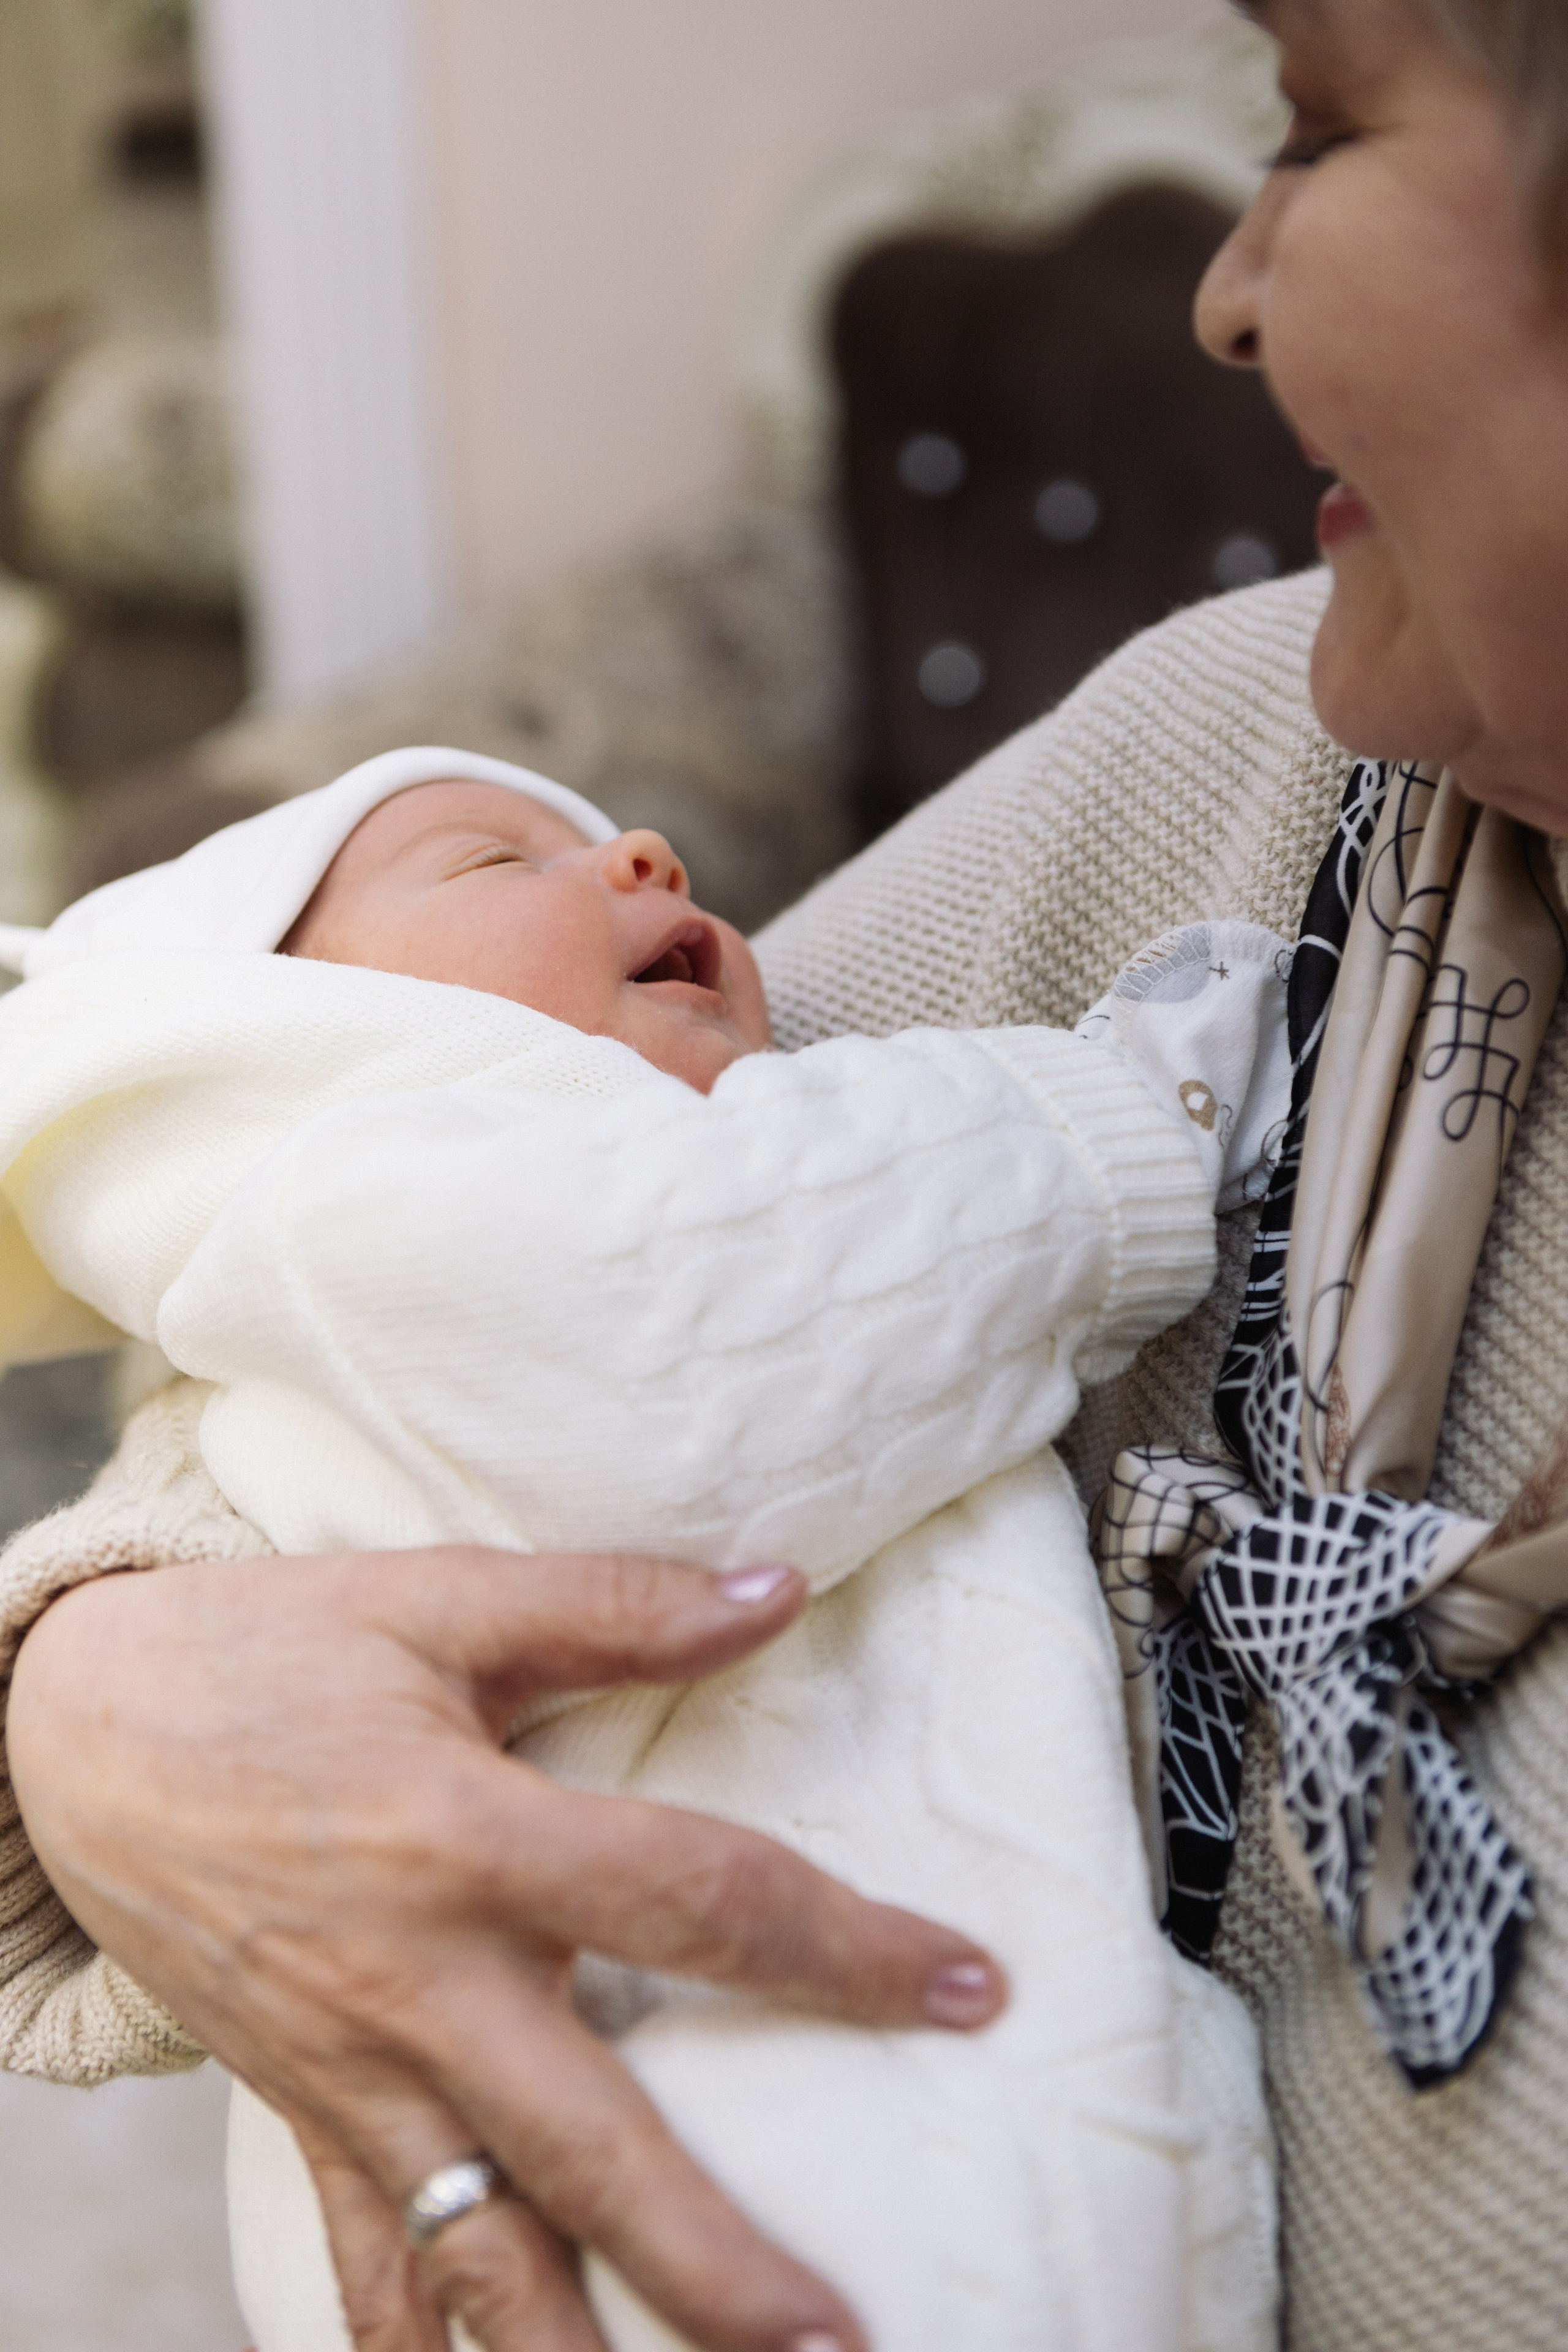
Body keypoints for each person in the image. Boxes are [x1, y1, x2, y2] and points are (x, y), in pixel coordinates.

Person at [4, 0, 1568, 2345]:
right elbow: (550, 1298)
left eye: (1324, 131)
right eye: (500, 864)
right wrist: (110, 1683)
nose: (1224, 291)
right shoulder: (1251, 753)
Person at [0, 742, 1285, 2350]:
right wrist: (1120, 1119)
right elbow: (713, 1308)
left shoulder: (311, 1323)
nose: (650, 853)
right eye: (492, 861)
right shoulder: (372, 1212)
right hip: (720, 2145)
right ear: (282, 1032)